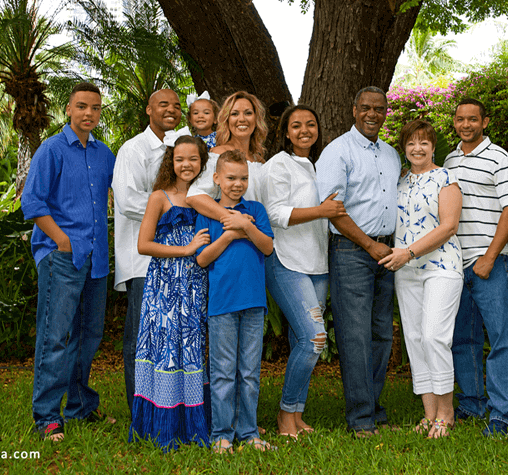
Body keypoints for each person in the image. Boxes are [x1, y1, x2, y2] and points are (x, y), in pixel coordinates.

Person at [21, 82, 116, 441]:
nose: (88, 113)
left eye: (94, 107)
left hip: (95, 261)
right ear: (68, 109)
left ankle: (79, 406)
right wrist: (60, 240)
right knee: (55, 336)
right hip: (61, 257)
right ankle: (46, 415)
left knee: (88, 336)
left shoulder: (106, 154)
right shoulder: (52, 149)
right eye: (81, 106)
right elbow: (32, 203)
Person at [315, 86, 401, 437]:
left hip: (388, 252)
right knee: (355, 337)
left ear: (385, 112)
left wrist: (388, 248)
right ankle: (360, 419)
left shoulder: (392, 154)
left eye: (378, 109)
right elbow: (333, 209)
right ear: (354, 110)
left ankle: (375, 410)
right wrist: (368, 245)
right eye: (365, 108)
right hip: (353, 252)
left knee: (381, 333)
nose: (372, 114)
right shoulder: (338, 151)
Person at [263, 105, 348, 437]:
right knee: (315, 338)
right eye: (296, 126)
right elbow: (275, 213)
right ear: (285, 132)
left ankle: (297, 415)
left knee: (305, 339)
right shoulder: (277, 166)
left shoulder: (319, 166)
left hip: (317, 264)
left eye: (310, 124)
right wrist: (321, 210)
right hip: (286, 261)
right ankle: (285, 416)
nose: (304, 131)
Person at [443, 98, 508, 437]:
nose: (466, 125)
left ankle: (502, 414)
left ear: (484, 122)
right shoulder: (449, 158)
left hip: (487, 261)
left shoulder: (500, 158)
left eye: (472, 119)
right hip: (454, 263)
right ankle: (472, 403)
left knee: (502, 338)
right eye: (460, 119)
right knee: (463, 338)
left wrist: (490, 257)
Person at [380, 120, 463, 439]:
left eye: (424, 142)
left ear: (433, 146)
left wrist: (409, 252)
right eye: (411, 143)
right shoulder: (399, 181)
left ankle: (446, 413)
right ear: (404, 147)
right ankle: (429, 414)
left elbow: (449, 226)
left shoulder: (446, 178)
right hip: (407, 271)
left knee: (433, 336)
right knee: (415, 340)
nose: (418, 148)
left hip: (441, 266)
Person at [129, 134, 212, 451]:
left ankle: (194, 424)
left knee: (191, 349)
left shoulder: (207, 196)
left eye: (193, 159)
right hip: (164, 288)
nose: (186, 164)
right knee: (166, 351)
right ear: (171, 162)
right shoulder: (159, 197)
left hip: (195, 286)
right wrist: (186, 248)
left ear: (202, 162)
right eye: (180, 159)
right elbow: (144, 245)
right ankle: (163, 426)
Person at [195, 150, 275, 453]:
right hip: (222, 304)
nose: (237, 183)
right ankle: (221, 434)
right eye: (230, 178)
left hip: (254, 302)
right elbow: (202, 258)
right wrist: (229, 236)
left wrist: (245, 226)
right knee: (223, 372)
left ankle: (249, 432)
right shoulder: (208, 214)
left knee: (250, 373)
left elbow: (267, 247)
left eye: (243, 178)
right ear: (216, 179)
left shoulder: (255, 209)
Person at [113, 88, 183, 417]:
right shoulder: (134, 149)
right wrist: (175, 211)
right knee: (142, 340)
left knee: (171, 338)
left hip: (177, 260)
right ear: (148, 110)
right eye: (163, 104)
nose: (171, 110)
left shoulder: (180, 151)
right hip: (143, 262)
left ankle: (166, 408)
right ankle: (141, 412)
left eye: (177, 105)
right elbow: (127, 202)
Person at [186, 91, 269, 231]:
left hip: (260, 241)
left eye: (248, 113)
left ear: (256, 118)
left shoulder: (260, 161)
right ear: (226, 119)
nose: (241, 119)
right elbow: (194, 196)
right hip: (230, 238)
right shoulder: (217, 155)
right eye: (235, 114)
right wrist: (234, 219)